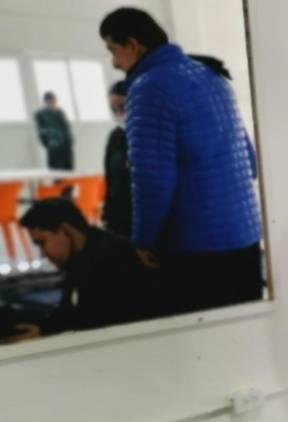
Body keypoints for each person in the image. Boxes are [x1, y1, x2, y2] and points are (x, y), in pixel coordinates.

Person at [99, 7, 263, 315]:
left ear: (133, 45)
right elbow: (250, 162)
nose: (114, 62)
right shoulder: (214, 77)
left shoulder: (148, 88)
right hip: (246, 239)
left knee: (200, 338)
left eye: (112, 50)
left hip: (195, 249)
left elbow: (152, 179)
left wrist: (144, 239)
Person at [3, 199, 158, 342]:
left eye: (42, 242)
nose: (43, 253)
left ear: (65, 230)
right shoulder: (83, 256)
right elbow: (72, 313)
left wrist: (46, 331)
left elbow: (95, 321)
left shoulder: (109, 259)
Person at [102, 81, 132, 238]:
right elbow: (110, 179)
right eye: (114, 109)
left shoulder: (153, 135)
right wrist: (107, 216)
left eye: (123, 107)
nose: (119, 114)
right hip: (120, 220)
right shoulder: (115, 137)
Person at [34, 92, 74, 171]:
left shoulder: (60, 112)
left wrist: (70, 141)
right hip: (53, 147)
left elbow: (66, 127)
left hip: (66, 146)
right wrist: (48, 143)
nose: (54, 102)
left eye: (54, 100)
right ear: (46, 101)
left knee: (69, 169)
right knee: (56, 170)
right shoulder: (40, 114)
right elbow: (41, 131)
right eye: (51, 100)